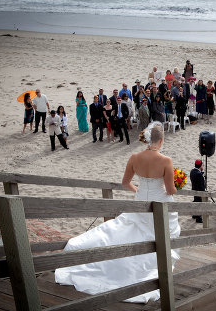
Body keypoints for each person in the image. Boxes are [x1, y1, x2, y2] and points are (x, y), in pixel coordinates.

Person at [55, 122, 179, 303]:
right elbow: (170, 190)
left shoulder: (135, 157)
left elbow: (125, 183)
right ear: (160, 141)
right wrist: (178, 185)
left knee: (128, 232)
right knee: (159, 236)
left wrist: (139, 190)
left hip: (140, 203)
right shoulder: (166, 161)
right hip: (159, 204)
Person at [190, 159, 205, 223]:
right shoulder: (199, 174)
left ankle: (194, 215)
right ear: (200, 165)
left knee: (195, 201)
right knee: (199, 204)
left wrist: (201, 172)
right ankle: (198, 218)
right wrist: (202, 193)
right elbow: (201, 184)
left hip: (194, 188)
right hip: (199, 191)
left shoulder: (192, 171)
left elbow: (197, 176)